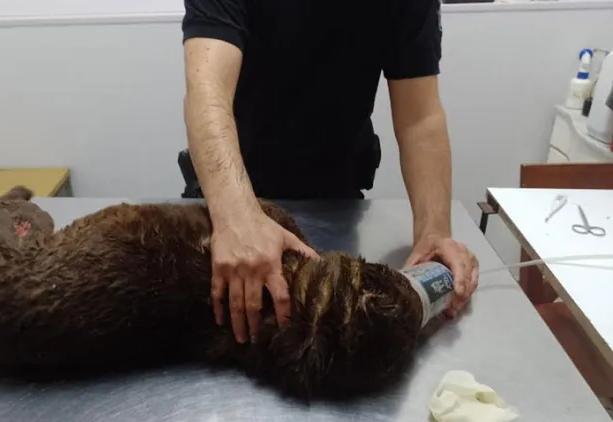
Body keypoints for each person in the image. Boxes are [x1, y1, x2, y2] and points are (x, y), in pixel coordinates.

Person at [181, 0, 479, 345]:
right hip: (233, 195)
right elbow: (207, 96)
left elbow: (420, 119)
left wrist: (434, 233)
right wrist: (237, 218)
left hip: (337, 202)